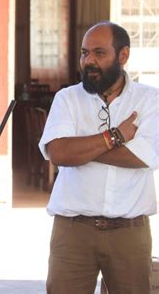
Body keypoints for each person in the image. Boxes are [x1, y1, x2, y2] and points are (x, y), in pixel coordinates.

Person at [39, 21, 158, 293]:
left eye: (99, 53)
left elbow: (142, 157)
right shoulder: (67, 99)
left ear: (123, 56)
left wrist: (81, 149)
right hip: (73, 231)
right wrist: (114, 137)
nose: (88, 60)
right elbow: (58, 153)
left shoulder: (151, 100)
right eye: (84, 53)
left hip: (129, 232)